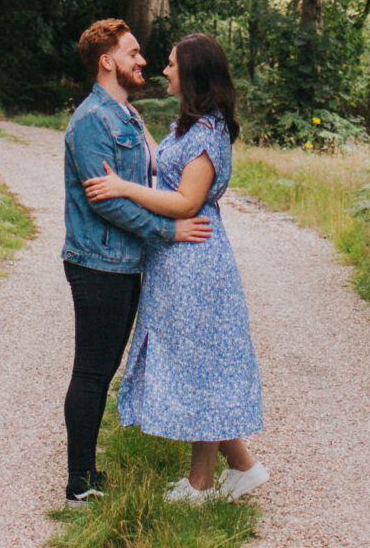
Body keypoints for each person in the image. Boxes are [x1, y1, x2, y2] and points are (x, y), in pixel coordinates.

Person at [83, 30, 267, 505]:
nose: (163, 69)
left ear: (192, 73)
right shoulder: (188, 126)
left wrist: (122, 188)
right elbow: (167, 167)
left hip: (196, 262)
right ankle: (242, 468)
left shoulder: (209, 134)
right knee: (196, 361)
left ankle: (202, 483)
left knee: (198, 365)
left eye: (170, 63)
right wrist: (137, 124)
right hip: (177, 261)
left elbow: (186, 200)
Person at [60, 18, 213, 506]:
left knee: (103, 371)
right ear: (108, 61)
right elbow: (107, 203)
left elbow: (149, 183)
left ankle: (88, 471)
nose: (142, 61)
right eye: (133, 53)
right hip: (98, 263)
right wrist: (170, 230)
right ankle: (79, 483)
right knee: (91, 372)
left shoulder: (129, 117)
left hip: (126, 263)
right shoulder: (90, 121)